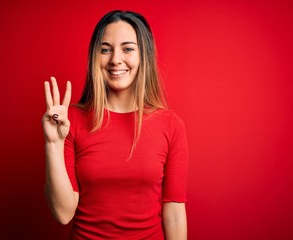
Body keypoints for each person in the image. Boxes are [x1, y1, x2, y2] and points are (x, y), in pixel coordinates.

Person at [42, 10, 189, 239]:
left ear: (144, 56)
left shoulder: (171, 125)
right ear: (95, 57)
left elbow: (175, 213)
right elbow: (63, 213)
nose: (115, 60)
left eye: (128, 48)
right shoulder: (70, 122)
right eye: (105, 49)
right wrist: (53, 143)